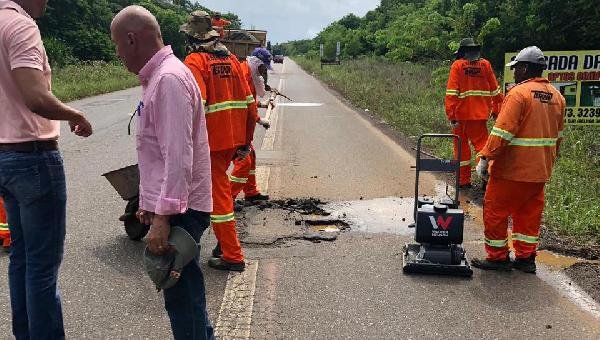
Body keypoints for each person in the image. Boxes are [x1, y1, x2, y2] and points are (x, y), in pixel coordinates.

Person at [111, 6, 214, 339]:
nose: (117, 54)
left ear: (131, 39)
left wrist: (162, 216)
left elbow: (177, 156)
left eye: (117, 46)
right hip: (175, 205)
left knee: (183, 301)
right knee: (186, 294)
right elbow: (158, 154)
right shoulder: (160, 76)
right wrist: (148, 201)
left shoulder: (168, 79)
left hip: (182, 209)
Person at [0, 0, 93, 338]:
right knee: (41, 266)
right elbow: (36, 97)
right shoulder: (20, 26)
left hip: (4, 156)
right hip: (32, 157)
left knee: (22, 257)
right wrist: (75, 115)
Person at [472, 46, 565, 273]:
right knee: (528, 216)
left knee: (495, 212)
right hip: (539, 172)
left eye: (516, 69)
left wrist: (485, 156)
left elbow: (502, 132)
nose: (514, 74)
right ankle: (525, 259)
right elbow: (558, 138)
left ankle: (497, 257)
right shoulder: (557, 97)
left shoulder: (518, 94)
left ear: (524, 68)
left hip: (511, 171)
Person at [181, 10, 258, 272]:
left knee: (219, 199)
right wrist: (246, 141)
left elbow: (195, 106)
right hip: (233, 141)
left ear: (191, 37)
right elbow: (250, 106)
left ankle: (232, 255)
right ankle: (223, 243)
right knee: (220, 191)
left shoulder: (195, 61)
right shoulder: (234, 61)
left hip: (211, 144)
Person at [445, 38, 504, 188]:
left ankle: (463, 181)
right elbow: (496, 91)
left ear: (463, 52)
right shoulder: (485, 65)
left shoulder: (457, 66)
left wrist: (451, 115)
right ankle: (487, 177)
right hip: (480, 117)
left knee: (461, 149)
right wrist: (498, 110)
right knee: (482, 147)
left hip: (460, 117)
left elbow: (451, 93)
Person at [230, 48, 275, 203]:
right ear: (257, 62)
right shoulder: (243, 73)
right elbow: (243, 103)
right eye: (263, 67)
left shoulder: (251, 73)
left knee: (251, 156)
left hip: (243, 127)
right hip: (235, 127)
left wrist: (262, 104)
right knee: (244, 162)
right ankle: (227, 199)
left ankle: (251, 192)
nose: (264, 71)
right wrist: (259, 119)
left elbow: (248, 100)